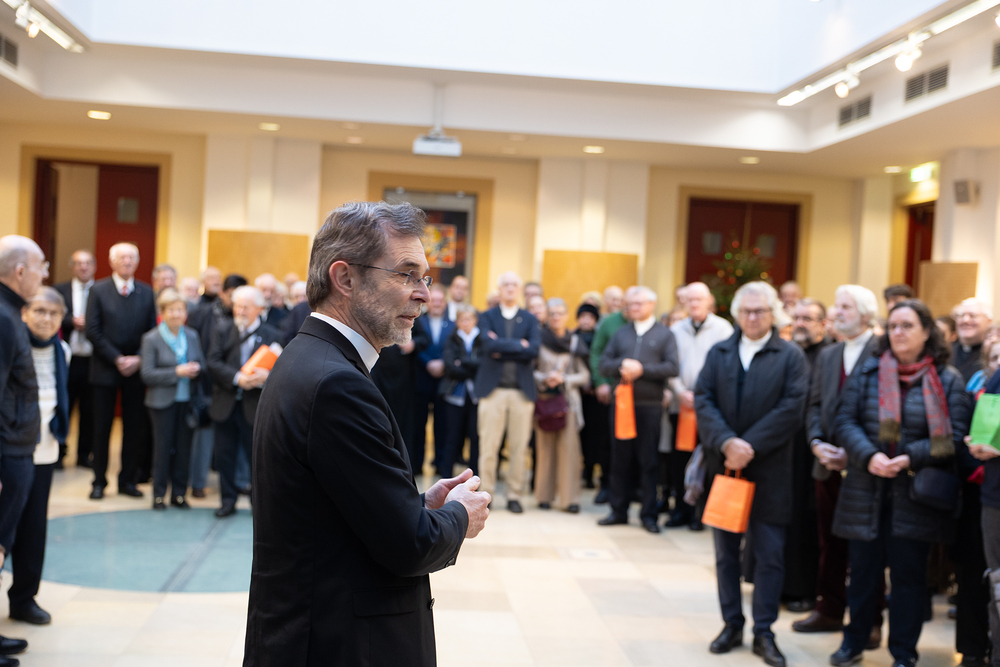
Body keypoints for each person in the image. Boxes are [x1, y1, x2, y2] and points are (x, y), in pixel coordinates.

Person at [244, 201, 489, 667]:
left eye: (425, 278)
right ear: (345, 278)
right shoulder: (337, 383)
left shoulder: (309, 356)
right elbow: (410, 546)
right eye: (407, 274)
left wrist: (418, 506)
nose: (424, 295)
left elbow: (333, 511)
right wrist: (460, 515)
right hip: (341, 644)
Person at [831, 299, 970, 667]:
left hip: (915, 494)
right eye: (893, 326)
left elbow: (954, 437)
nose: (898, 332)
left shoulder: (947, 379)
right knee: (862, 574)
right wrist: (869, 456)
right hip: (867, 488)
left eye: (907, 326)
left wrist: (909, 457)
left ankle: (904, 653)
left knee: (909, 579)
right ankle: (853, 642)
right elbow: (844, 421)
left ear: (926, 332)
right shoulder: (869, 371)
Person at [695, 281, 809, 667]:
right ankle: (731, 624)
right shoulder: (720, 352)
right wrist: (727, 442)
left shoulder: (790, 355)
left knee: (770, 555)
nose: (753, 317)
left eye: (760, 311)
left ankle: (764, 630)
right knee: (725, 554)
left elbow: (792, 407)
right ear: (737, 314)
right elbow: (703, 400)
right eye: (746, 311)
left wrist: (749, 445)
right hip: (726, 469)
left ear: (773, 314)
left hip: (770, 470)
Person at [794, 285, 882, 641]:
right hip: (827, 464)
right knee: (829, 541)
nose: (837, 312)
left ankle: (869, 619)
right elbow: (814, 405)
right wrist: (817, 443)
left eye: (845, 307)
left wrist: (857, 452)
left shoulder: (882, 351)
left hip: (866, 466)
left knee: (867, 547)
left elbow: (885, 412)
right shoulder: (830, 355)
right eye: (837, 305)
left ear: (865, 314)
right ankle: (829, 609)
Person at [597, 287, 680, 533]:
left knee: (648, 460)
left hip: (649, 406)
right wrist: (622, 365)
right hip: (622, 405)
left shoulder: (665, 334)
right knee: (620, 459)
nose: (633, 308)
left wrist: (642, 370)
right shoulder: (621, 333)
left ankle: (648, 514)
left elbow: (672, 367)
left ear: (651, 304)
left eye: (638, 303)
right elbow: (604, 364)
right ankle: (618, 511)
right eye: (630, 304)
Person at [11, 288, 70, 626]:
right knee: (6, 528)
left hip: (45, 450)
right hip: (11, 450)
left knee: (34, 528)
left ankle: (24, 599)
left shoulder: (63, 350)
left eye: (53, 313)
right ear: (25, 313)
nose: (46, 319)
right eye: (39, 311)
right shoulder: (12, 345)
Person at [0, 235, 45, 660]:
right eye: (40, 267)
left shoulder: (9, 312)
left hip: (16, 447)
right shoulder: (2, 316)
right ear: (19, 271)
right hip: (7, 452)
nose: (44, 275)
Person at [85, 242, 157, 500]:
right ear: (112, 262)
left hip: (135, 371)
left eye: (131, 258)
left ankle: (127, 480)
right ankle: (98, 482)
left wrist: (138, 358)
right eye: (122, 257)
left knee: (133, 428)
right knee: (101, 428)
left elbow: (151, 331)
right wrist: (117, 358)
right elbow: (92, 330)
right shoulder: (98, 289)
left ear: (137, 262)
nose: (127, 261)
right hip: (105, 369)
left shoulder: (147, 292)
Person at [207, 285, 282, 518]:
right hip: (225, 404)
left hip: (255, 407)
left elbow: (283, 370)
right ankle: (227, 501)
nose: (240, 311)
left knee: (256, 459)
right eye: (237, 306)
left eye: (246, 307)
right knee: (224, 457)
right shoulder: (222, 330)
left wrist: (267, 377)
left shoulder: (273, 335)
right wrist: (238, 378)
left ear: (259, 308)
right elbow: (213, 362)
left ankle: (257, 504)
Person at [666, 282, 733, 529]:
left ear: (709, 301)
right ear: (684, 302)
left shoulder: (723, 329)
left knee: (708, 459)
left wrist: (704, 396)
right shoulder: (676, 330)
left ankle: (700, 513)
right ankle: (680, 510)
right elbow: (670, 365)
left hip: (709, 408)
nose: (694, 304)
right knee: (679, 459)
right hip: (681, 405)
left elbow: (726, 368)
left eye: (699, 299)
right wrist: (680, 391)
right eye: (690, 300)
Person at [474, 271, 540, 514]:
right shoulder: (487, 316)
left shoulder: (530, 319)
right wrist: (519, 345)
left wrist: (502, 347)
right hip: (493, 392)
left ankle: (514, 494)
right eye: (506, 284)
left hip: (521, 393)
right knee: (488, 447)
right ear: (500, 289)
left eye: (514, 284)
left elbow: (534, 349)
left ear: (519, 290)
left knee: (519, 448)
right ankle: (486, 493)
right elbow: (487, 345)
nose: (510, 288)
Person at [783, 297, 833, 612]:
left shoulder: (828, 355)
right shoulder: (788, 352)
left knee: (807, 520)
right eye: (797, 318)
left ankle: (803, 589)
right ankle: (779, 584)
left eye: (808, 319)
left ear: (822, 324)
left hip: (811, 449)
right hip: (784, 447)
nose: (800, 324)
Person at [141, 288, 204, 510]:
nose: (177, 314)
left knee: (184, 449)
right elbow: (147, 373)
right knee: (163, 449)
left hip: (187, 401)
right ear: (163, 313)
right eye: (172, 310)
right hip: (161, 403)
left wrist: (196, 368)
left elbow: (202, 363)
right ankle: (159, 495)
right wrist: (177, 372)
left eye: (180, 309)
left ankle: (179, 494)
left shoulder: (192, 335)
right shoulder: (151, 338)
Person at [186, 273, 246, 498]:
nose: (236, 301)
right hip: (206, 382)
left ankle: (238, 483)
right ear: (223, 293)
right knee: (203, 436)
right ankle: (197, 483)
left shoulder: (242, 319)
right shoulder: (202, 313)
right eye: (232, 295)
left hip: (232, 385)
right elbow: (195, 345)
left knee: (233, 440)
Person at [534, 298, 590, 513]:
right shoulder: (539, 339)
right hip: (544, 401)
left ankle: (569, 500)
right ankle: (544, 496)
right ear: (547, 316)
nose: (556, 317)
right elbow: (530, 371)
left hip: (568, 403)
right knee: (545, 449)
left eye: (560, 313)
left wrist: (564, 379)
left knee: (569, 451)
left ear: (567, 316)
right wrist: (545, 377)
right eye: (552, 314)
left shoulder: (575, 342)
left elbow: (585, 375)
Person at [589, 286, 638, 503]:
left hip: (639, 396)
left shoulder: (649, 325)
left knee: (635, 444)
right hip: (611, 393)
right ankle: (606, 485)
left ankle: (632, 488)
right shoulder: (609, 323)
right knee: (608, 441)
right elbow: (597, 352)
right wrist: (600, 382)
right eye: (628, 303)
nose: (631, 307)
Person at [54, 249, 96, 468]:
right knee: (64, 406)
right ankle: (59, 452)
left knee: (89, 410)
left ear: (94, 267)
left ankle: (84, 454)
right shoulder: (59, 290)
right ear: (72, 267)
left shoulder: (102, 290)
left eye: (87, 263)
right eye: (79, 263)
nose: (83, 267)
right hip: (67, 359)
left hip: (93, 359)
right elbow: (53, 316)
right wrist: (72, 321)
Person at [972, 371, 1000, 667]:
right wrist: (977, 442)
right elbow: (985, 422)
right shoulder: (998, 377)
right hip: (995, 498)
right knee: (998, 588)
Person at [413, 286, 455, 475]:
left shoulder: (453, 325)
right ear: (428, 302)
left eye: (440, 301)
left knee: (442, 425)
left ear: (445, 303)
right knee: (419, 424)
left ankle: (439, 463)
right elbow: (416, 346)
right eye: (434, 300)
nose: (437, 304)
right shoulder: (417, 322)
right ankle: (417, 464)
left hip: (444, 382)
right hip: (422, 379)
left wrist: (444, 364)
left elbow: (453, 349)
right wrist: (428, 362)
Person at [439, 304, 483, 477]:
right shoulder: (451, 339)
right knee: (452, 437)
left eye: (469, 319)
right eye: (462, 319)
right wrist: (472, 367)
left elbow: (484, 366)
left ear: (475, 320)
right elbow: (450, 367)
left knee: (475, 437)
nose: (466, 323)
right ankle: (446, 476)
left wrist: (463, 362)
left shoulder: (482, 339)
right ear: (457, 321)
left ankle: (474, 477)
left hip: (477, 396)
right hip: (454, 395)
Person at [576, 303, 604, 490]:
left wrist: (595, 383)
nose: (586, 320)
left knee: (594, 436)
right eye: (583, 316)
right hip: (576, 395)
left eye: (590, 317)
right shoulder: (572, 337)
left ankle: (590, 472)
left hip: (595, 396)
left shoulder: (600, 338)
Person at [952, 298, 992, 383]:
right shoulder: (946, 351)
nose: (965, 320)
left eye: (973, 315)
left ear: (988, 322)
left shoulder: (993, 356)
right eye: (961, 315)